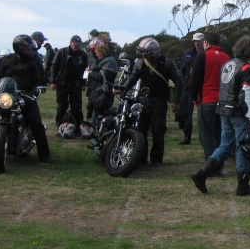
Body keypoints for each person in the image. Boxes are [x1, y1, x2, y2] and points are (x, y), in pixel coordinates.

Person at [191, 35, 250, 196]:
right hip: (238, 112)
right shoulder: (246, 68)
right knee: (242, 147)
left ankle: (202, 173)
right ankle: (243, 185)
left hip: (223, 109)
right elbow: (246, 95)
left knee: (225, 145)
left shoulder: (228, 64)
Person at [0, 35, 51, 164]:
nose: (30, 51)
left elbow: (41, 80)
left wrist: (35, 91)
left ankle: (44, 156)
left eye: (31, 49)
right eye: (28, 48)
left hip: (26, 97)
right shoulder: (5, 61)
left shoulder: (34, 62)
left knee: (36, 123)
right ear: (20, 48)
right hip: (7, 96)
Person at [119, 37, 182, 166]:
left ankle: (156, 159)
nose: (143, 56)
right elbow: (133, 78)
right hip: (142, 100)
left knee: (158, 131)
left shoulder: (167, 63)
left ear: (153, 52)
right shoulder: (140, 63)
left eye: (145, 53)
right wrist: (123, 89)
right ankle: (140, 157)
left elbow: (178, 81)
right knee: (140, 129)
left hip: (159, 101)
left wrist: (176, 101)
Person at [190, 32, 230, 166]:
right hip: (224, 101)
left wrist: (193, 97)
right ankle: (219, 163)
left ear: (206, 42)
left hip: (207, 99)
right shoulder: (226, 57)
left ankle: (211, 165)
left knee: (206, 135)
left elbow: (194, 79)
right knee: (219, 134)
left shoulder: (203, 56)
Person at [49, 35, 89, 136]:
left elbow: (86, 70)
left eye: (78, 45)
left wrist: (84, 83)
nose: (76, 46)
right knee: (61, 107)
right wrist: (53, 81)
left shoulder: (83, 54)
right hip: (62, 84)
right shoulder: (62, 52)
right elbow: (54, 66)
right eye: (75, 44)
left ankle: (78, 128)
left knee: (77, 108)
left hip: (76, 85)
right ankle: (60, 127)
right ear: (70, 42)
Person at [177, 32, 203, 145]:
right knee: (187, 112)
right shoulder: (188, 54)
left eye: (198, 40)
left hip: (202, 87)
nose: (196, 43)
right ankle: (187, 136)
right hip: (188, 86)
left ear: (203, 41)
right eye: (195, 41)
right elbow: (182, 70)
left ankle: (204, 136)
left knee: (202, 113)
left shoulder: (207, 54)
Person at [86, 42, 117, 125]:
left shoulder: (109, 61)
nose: (96, 55)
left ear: (102, 52)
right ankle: (95, 130)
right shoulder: (105, 60)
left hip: (103, 92)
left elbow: (103, 77)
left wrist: (90, 73)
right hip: (98, 91)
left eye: (97, 53)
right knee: (96, 112)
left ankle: (98, 133)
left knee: (101, 114)